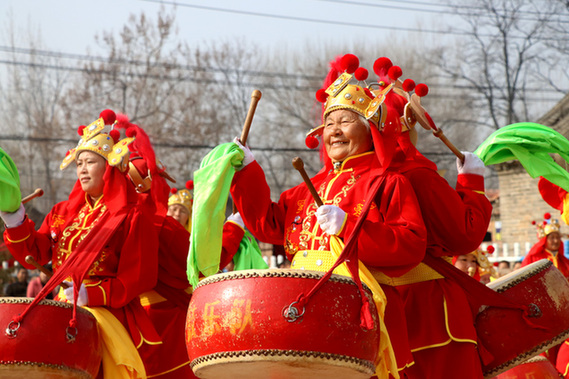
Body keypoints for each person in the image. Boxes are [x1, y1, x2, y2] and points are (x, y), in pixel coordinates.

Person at [230, 54, 427, 378]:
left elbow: (410, 243)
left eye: (346, 122)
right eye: (329, 124)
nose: (334, 131)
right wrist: (247, 168)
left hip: (358, 311)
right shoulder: (304, 190)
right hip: (301, 312)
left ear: (370, 130)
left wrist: (350, 229)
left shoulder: (387, 182)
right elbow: (267, 225)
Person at [0, 109, 161, 378]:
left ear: (108, 166)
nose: (82, 169)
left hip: (107, 314)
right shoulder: (63, 213)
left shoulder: (131, 217)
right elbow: (35, 252)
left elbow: (138, 278)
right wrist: (15, 217)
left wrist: (91, 294)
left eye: (90, 162)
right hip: (63, 307)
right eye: (79, 163)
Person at [370, 57, 493, 378]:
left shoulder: (359, 178)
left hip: (376, 312)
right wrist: (472, 183)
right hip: (431, 314)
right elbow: (464, 235)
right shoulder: (418, 176)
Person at [121, 114, 246, 378]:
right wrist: (234, 226)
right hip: (164, 325)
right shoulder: (161, 227)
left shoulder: (107, 223)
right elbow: (205, 263)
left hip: (123, 327)